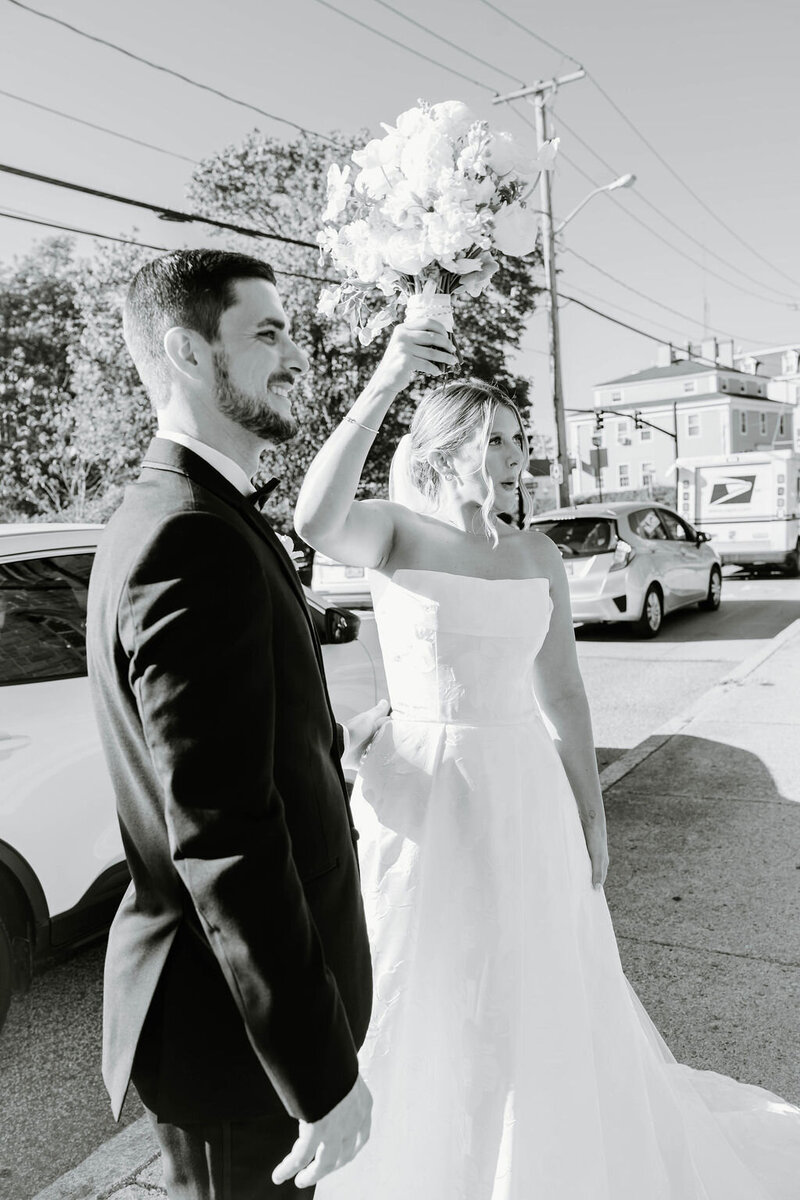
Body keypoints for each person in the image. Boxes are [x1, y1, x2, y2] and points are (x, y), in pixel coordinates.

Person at [294, 322, 800, 1199]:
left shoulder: (535, 555)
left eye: (517, 439)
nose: (512, 455)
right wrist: (382, 385)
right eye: (493, 438)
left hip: (523, 790)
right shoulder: (393, 534)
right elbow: (313, 519)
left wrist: (591, 816)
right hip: (422, 793)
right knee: (425, 973)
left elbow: (563, 693)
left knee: (533, 977)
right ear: (447, 445)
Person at [86, 249, 391, 1199]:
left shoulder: (199, 511)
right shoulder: (188, 534)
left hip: (239, 1033)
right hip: (236, 1044)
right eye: (266, 332)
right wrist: (319, 1072)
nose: (295, 355)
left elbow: (235, 761)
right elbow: (220, 834)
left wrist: (330, 759)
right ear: (185, 351)